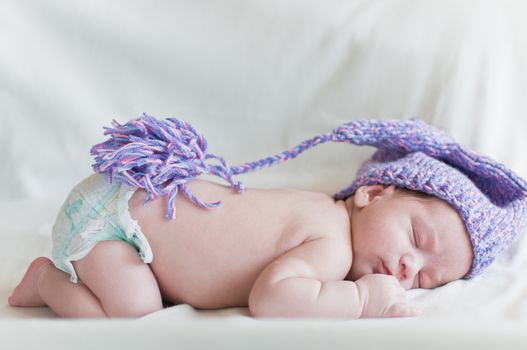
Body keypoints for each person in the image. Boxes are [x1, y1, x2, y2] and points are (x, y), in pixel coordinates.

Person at [8, 115, 527, 318]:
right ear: (372, 193)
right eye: (416, 237)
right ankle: (48, 281)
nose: (410, 268)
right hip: (115, 218)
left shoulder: (317, 213)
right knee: (132, 310)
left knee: (141, 292)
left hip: (134, 206)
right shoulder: (332, 243)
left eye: (430, 277)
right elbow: (272, 297)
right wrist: (363, 299)